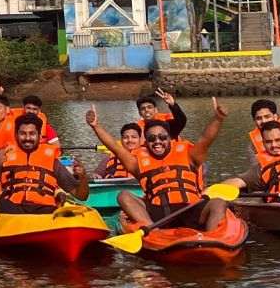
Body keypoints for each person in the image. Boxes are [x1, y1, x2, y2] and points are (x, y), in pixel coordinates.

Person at [87, 98, 230, 232]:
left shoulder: (190, 155)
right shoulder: (138, 163)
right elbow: (115, 147)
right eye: (151, 138)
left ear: (170, 139)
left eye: (162, 137)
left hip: (190, 209)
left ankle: (213, 238)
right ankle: (152, 231)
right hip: (158, 214)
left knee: (218, 202)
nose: (157, 141)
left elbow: (206, 138)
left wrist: (218, 118)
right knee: (123, 196)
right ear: (146, 141)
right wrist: (96, 126)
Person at [0, 113, 88, 212]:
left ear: (39, 136)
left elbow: (81, 196)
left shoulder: (53, 161)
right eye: (23, 133)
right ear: (16, 135)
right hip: (11, 209)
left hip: (44, 210)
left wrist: (82, 177)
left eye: (32, 134)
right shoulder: (4, 157)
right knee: (3, 205)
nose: (27, 138)